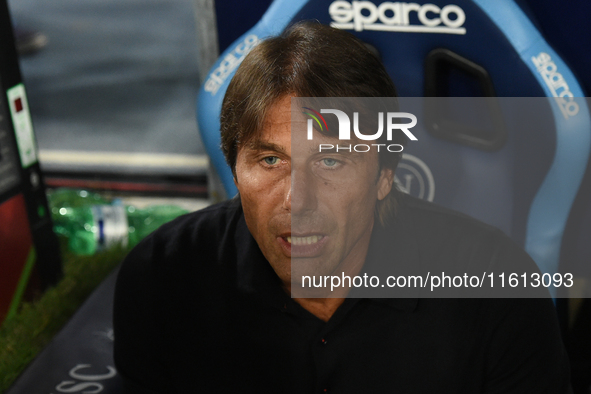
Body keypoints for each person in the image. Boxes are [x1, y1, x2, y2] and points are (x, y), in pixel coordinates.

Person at [113, 21, 570, 393]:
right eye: (270, 160)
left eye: (331, 160)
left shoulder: (496, 288)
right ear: (235, 170)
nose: (298, 200)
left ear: (384, 176)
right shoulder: (160, 278)